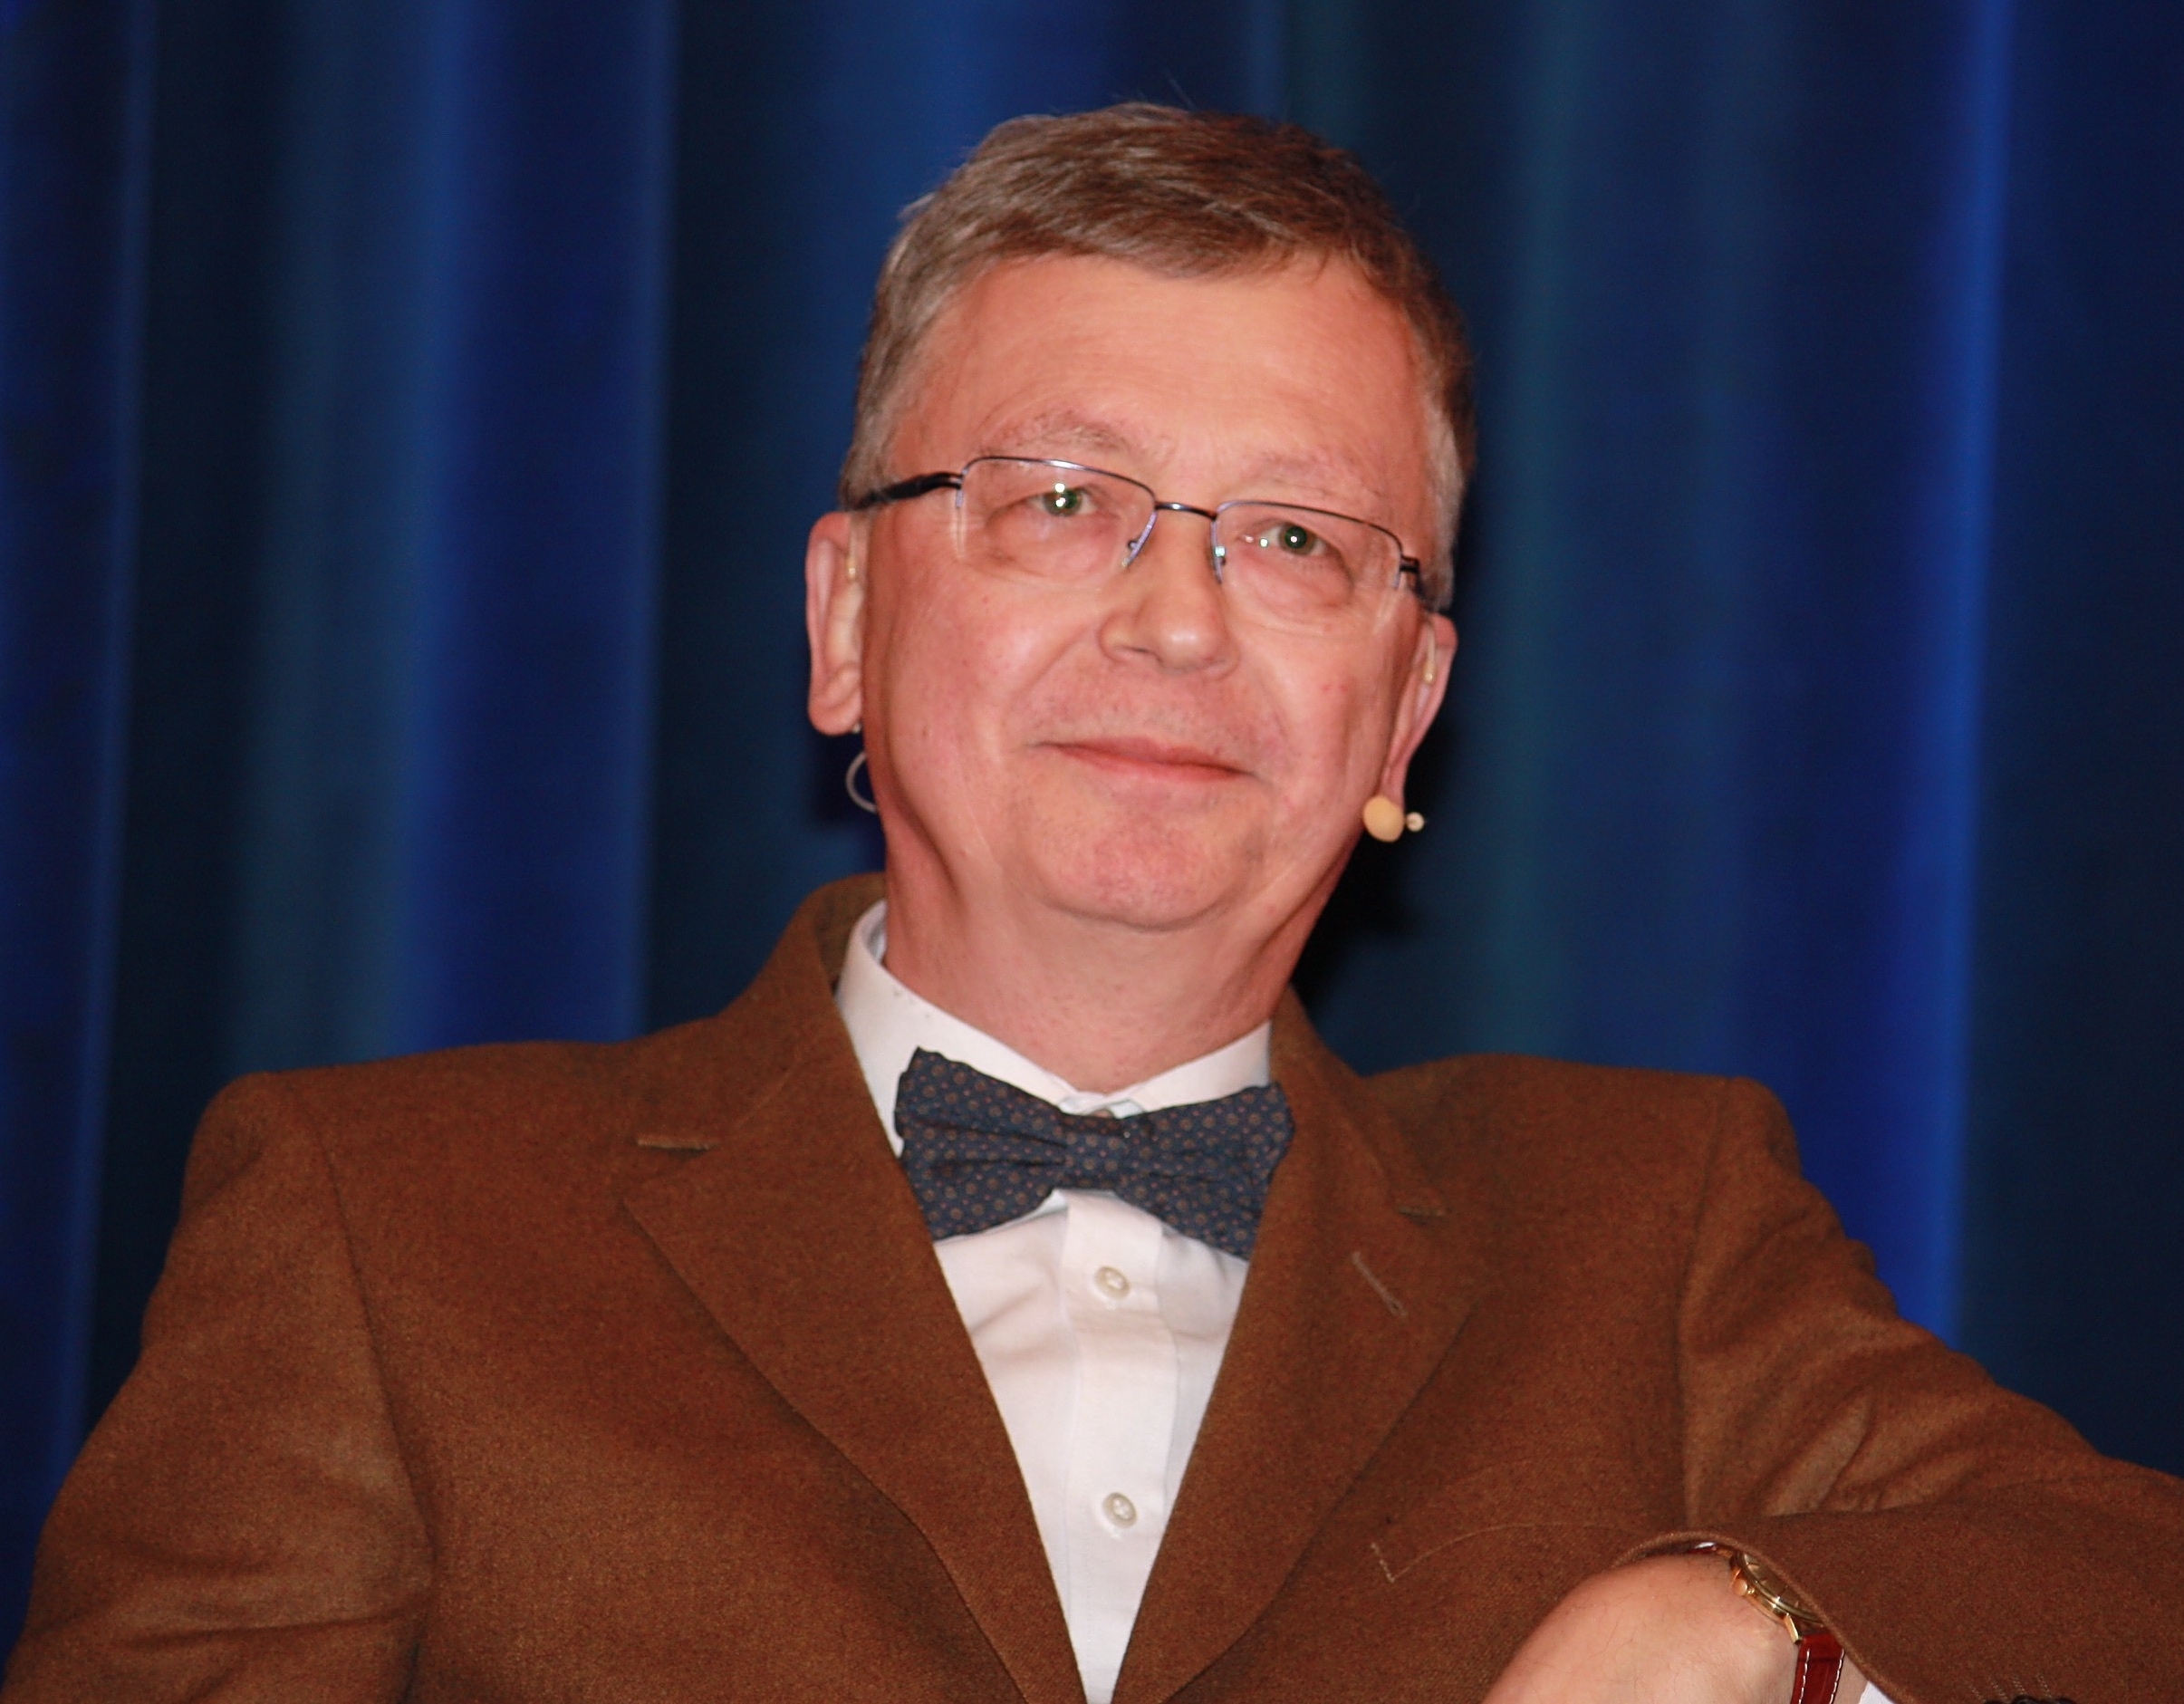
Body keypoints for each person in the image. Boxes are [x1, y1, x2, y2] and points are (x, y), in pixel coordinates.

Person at [5, 104, 2179, 1704]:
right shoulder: (381, 1220)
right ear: (846, 620)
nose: (1177, 621)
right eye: (1062, 500)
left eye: (1296, 538)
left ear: (1408, 704)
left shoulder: (1651, 1223)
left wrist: (1734, 1612)